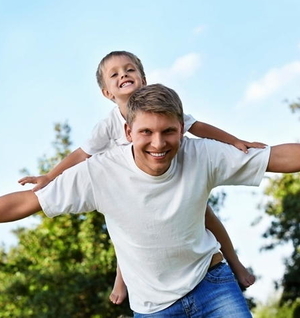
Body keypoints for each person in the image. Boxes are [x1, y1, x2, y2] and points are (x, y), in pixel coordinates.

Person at [1, 83, 300, 317]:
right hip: (153, 308)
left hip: (212, 285)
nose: (158, 144)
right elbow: (26, 202)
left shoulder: (202, 154)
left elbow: (277, 157)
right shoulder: (100, 172)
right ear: (129, 132)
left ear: (182, 130)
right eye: (146, 132)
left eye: (169, 131)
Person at [18, 51, 261, 305]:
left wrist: (233, 141)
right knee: (126, 227)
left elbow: (198, 127)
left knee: (206, 215)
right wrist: (50, 176)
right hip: (132, 189)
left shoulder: (162, 106)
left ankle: (235, 263)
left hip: (175, 182)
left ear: (143, 79)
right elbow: (82, 154)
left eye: (130, 69)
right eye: (114, 74)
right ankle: (121, 279)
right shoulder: (108, 126)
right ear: (107, 93)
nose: (123, 74)